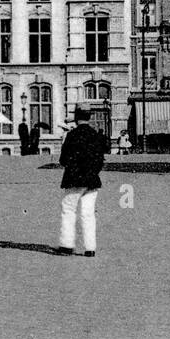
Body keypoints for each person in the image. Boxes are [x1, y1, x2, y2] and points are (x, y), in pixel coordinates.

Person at [56, 105, 110, 257]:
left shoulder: (72, 135)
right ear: (90, 116)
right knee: (88, 213)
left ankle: (67, 245)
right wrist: (92, 171)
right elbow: (100, 160)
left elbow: (63, 159)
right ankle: (90, 248)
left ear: (76, 116)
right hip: (92, 179)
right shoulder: (96, 135)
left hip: (74, 179)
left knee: (68, 209)